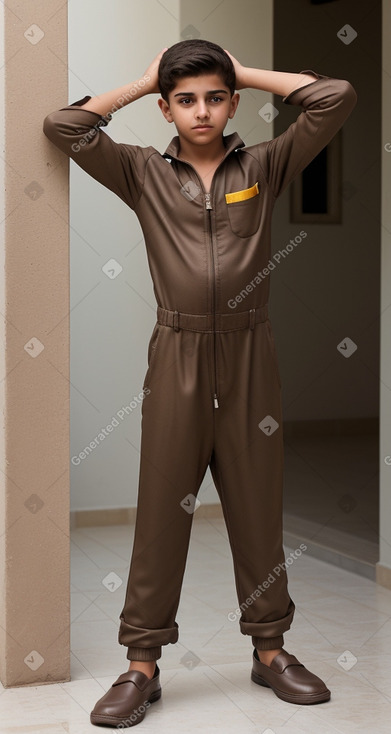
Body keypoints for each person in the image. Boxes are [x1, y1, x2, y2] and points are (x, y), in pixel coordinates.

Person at [43, 38, 357, 727]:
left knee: (255, 501)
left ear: (234, 101)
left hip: (251, 351)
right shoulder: (139, 174)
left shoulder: (266, 165)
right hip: (177, 350)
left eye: (215, 96)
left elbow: (333, 97)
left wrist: (234, 66)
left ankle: (270, 651)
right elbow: (64, 127)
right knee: (161, 509)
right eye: (184, 100)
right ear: (165, 109)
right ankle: (141, 665)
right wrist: (147, 77)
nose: (202, 110)